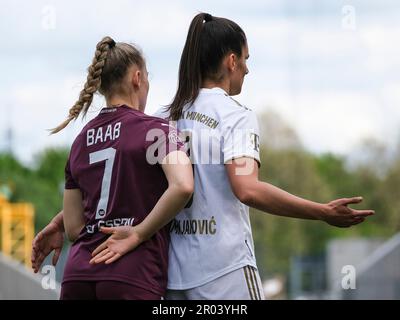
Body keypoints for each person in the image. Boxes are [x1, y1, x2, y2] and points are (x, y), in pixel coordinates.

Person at [32, 14, 374, 300]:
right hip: (224, 271)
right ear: (231, 61)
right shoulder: (235, 115)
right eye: (246, 60)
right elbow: (247, 190)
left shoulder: (166, 118)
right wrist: (321, 212)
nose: (247, 70)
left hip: (174, 276)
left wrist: (62, 220)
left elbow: (122, 180)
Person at [47, 36, 193, 300]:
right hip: (132, 273)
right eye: (148, 78)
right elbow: (183, 186)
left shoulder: (80, 140)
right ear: (137, 78)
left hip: (79, 272)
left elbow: (73, 228)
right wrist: (138, 233)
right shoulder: (155, 129)